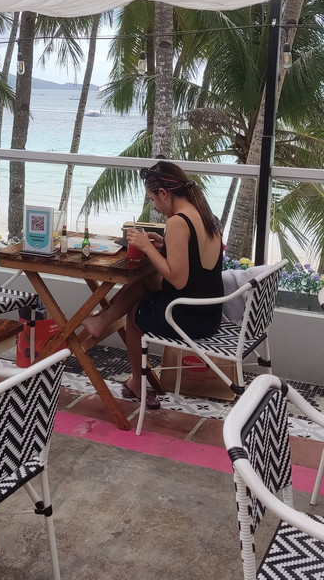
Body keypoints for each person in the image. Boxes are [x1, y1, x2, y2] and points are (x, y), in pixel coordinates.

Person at [82, 160, 224, 409]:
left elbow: (177, 279)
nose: (155, 205)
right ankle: (101, 321)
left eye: (153, 199)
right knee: (146, 280)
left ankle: (137, 382)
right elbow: (195, 262)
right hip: (209, 311)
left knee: (135, 314)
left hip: (188, 317)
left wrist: (147, 247)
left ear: (164, 193)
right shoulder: (204, 215)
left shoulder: (178, 222)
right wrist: (164, 245)